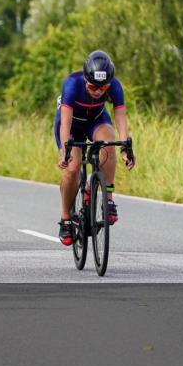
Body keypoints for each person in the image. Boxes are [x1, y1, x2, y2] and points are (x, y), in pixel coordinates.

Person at [55, 50, 135, 245]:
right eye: (93, 86)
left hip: (96, 120)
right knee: (72, 168)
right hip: (72, 125)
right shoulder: (72, 84)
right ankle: (65, 218)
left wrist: (125, 147)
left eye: (103, 87)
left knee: (109, 146)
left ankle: (108, 199)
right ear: (85, 79)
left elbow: (120, 118)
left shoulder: (115, 86)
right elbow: (65, 123)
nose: (98, 91)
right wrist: (65, 151)